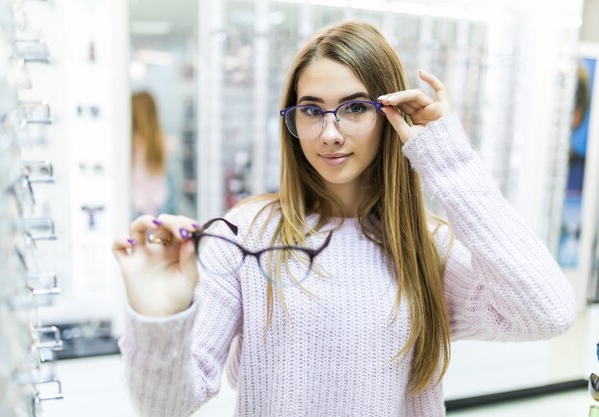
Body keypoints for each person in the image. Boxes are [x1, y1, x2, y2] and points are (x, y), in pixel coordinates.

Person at [112, 21, 576, 417]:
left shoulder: (424, 246)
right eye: (311, 110)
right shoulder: (248, 232)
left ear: (391, 115)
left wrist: (448, 162)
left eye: (354, 108)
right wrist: (160, 317)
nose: (329, 133)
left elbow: (547, 314)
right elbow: (168, 403)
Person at [131, 91, 178, 217]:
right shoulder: (164, 143)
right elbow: (173, 145)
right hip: (159, 205)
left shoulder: (130, 145)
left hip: (135, 205)